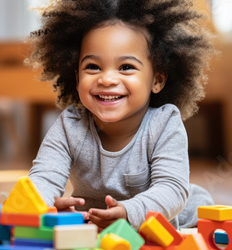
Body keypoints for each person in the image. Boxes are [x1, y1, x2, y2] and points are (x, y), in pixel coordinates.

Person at [26, 0, 215, 231]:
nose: (106, 79)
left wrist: (129, 212)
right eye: (93, 67)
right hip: (92, 226)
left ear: (157, 79)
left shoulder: (164, 123)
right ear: (77, 79)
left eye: (126, 67)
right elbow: (43, 179)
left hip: (149, 229)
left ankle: (196, 204)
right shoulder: (70, 126)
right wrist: (41, 206)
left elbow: (171, 188)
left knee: (193, 204)